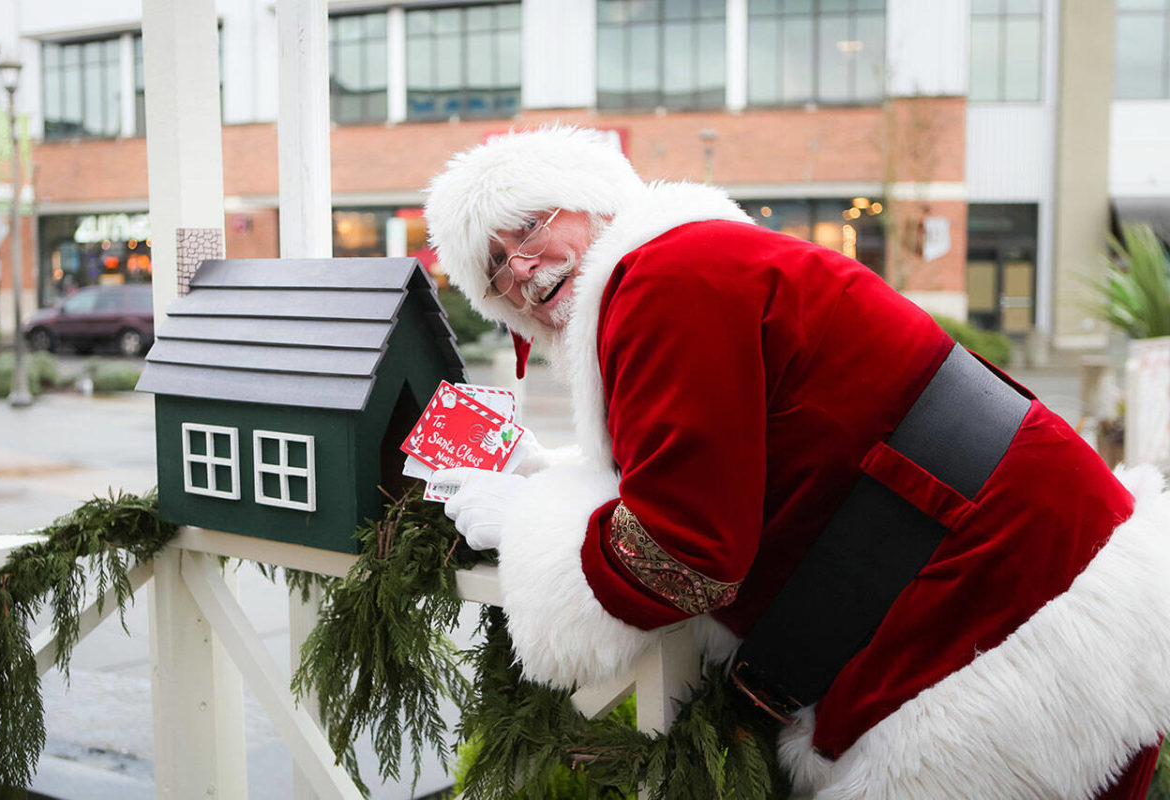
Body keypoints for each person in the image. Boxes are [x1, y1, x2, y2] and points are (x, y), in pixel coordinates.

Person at [423, 126, 1170, 799]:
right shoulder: (685, 266)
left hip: (1007, 621)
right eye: (493, 265)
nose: (520, 265)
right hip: (1038, 586)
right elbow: (714, 457)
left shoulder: (661, 283)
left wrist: (530, 525)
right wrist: (550, 471)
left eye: (528, 225)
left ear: (591, 203)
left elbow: (682, 557)